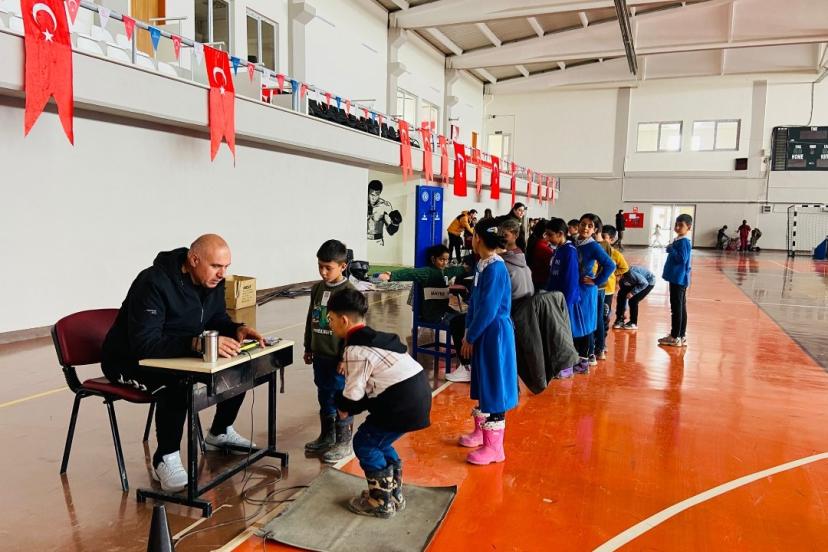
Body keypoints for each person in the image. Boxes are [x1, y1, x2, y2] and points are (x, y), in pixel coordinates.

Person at [101, 234, 265, 492]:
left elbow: (215, 319)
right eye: (216, 266)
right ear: (194, 260)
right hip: (129, 360)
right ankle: (165, 457)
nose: (222, 274)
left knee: (237, 365)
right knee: (177, 382)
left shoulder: (212, 282)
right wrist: (197, 344)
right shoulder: (153, 282)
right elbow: (145, 344)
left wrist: (236, 329)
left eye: (226, 267)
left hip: (177, 351)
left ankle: (219, 432)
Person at [328, 289, 431, 519]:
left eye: (331, 319)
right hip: (417, 394)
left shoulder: (356, 349)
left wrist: (340, 404)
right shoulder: (374, 338)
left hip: (402, 401)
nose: (330, 325)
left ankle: (380, 501)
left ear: (344, 320)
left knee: (365, 443)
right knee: (381, 442)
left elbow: (353, 397)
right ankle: (394, 493)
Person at [457, 218, 518, 465]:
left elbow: (489, 309)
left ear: (478, 238)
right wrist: (468, 330)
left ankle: (495, 448)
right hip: (483, 330)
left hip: (495, 333)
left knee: (495, 385)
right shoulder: (483, 265)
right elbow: (475, 303)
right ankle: (481, 433)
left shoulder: (496, 268)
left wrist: (471, 336)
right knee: (483, 381)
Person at [377, 244, 471, 382]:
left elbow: (458, 269)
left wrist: (467, 268)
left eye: (447, 260)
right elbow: (410, 273)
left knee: (467, 320)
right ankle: (465, 365)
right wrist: (390, 275)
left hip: (444, 311)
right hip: (433, 315)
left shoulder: (445, 271)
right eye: (442, 259)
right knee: (459, 324)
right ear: (433, 259)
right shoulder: (427, 272)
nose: (445, 263)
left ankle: (467, 360)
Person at [303, 240, 357, 463]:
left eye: (328, 267)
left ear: (343, 266)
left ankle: (344, 443)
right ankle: (327, 436)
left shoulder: (349, 292)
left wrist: (346, 357)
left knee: (340, 398)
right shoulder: (317, 289)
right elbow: (311, 318)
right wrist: (308, 346)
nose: (323, 272)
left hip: (338, 358)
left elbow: (354, 330)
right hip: (320, 355)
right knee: (324, 395)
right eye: (320, 266)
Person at [571, 214, 616, 371]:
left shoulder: (593, 246)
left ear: (595, 230)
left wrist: (596, 280)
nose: (585, 228)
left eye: (590, 226)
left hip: (586, 289)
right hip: (575, 288)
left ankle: (587, 358)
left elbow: (610, 265)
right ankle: (580, 356)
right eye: (583, 224)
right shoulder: (575, 242)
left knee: (585, 322)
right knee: (576, 321)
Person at [545, 218, 581, 379]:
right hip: (555, 298)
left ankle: (568, 367)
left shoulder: (570, 252)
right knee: (557, 333)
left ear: (560, 234)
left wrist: (565, 303)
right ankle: (560, 364)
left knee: (565, 334)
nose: (547, 238)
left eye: (550, 235)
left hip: (565, 301)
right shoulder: (559, 249)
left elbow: (571, 280)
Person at [659, 214, 693, 347]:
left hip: (678, 279)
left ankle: (675, 336)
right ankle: (681, 335)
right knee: (680, 307)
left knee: (676, 308)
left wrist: (671, 249)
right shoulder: (679, 240)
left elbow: (682, 259)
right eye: (676, 225)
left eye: (681, 225)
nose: (677, 227)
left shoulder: (684, 242)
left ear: (688, 227)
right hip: (677, 278)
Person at [597, 225, 629, 359]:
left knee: (604, 316)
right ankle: (595, 341)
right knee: (595, 315)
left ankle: (602, 343)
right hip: (596, 288)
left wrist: (613, 274)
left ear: (611, 239)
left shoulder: (615, 254)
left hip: (608, 290)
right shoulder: (596, 250)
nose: (601, 240)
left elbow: (624, 267)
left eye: (604, 237)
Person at [498, 217, 533, 301]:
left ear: (516, 236)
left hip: (514, 306)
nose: (502, 238)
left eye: (505, 235)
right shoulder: (520, 257)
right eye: (500, 235)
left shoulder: (506, 262)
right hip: (524, 305)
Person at [614, 265, 655, 330]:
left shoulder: (630, 273)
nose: (616, 280)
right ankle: (620, 319)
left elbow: (644, 283)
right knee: (621, 295)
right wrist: (623, 311)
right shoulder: (621, 280)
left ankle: (633, 323)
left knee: (633, 300)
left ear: (620, 274)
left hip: (648, 281)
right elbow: (625, 296)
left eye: (617, 277)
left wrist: (632, 293)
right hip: (636, 281)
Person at [367, 180, 401, 245]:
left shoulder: (384, 206)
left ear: (380, 193)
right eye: (372, 195)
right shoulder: (361, 203)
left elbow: (391, 231)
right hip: (362, 240)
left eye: (377, 195)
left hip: (377, 242)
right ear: (368, 192)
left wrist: (396, 223)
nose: (374, 198)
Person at [525, 218, 554, 293]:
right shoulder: (544, 249)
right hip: (542, 283)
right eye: (551, 233)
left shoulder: (536, 243)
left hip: (535, 281)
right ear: (544, 234)